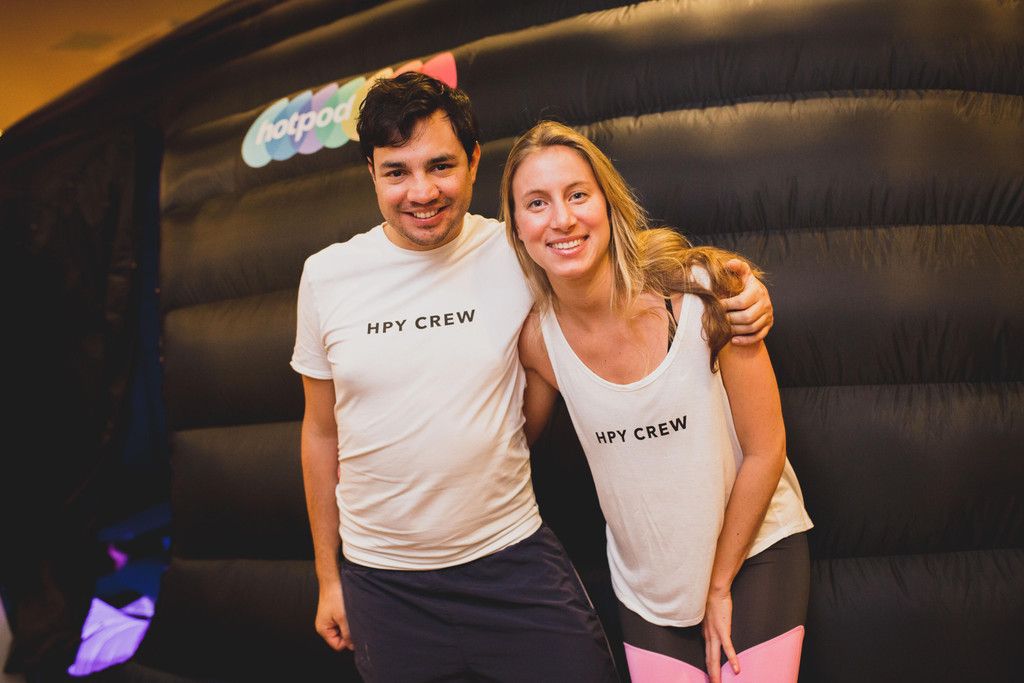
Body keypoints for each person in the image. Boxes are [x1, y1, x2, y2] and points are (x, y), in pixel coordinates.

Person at [290, 73, 773, 682]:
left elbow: (624, 259)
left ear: (473, 163)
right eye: (396, 172)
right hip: (383, 582)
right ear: (371, 172)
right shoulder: (326, 277)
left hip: (509, 556)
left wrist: (737, 285)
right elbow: (320, 434)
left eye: (440, 166)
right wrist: (328, 577)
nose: (422, 191)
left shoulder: (520, 249)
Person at [502, 121, 814, 683]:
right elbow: (506, 443)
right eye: (537, 203)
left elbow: (766, 449)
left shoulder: (703, 292)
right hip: (649, 587)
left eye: (578, 195)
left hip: (754, 551)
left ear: (607, 203)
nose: (562, 219)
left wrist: (719, 585)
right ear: (517, 226)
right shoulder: (537, 342)